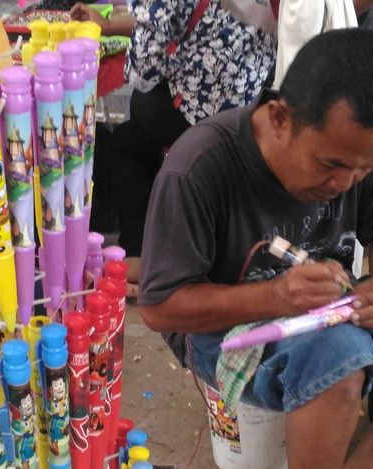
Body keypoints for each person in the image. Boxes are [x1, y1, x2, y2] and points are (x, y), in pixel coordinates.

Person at [138, 28, 373, 469]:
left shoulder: (360, 148)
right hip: (226, 332)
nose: (346, 182)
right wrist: (276, 295)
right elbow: (161, 309)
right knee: (339, 358)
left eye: (363, 169)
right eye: (330, 165)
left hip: (334, 309)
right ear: (280, 118)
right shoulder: (200, 166)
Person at [111, 0, 279, 295]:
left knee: (128, 140)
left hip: (198, 113)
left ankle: (137, 255)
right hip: (254, 107)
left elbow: (143, 72)